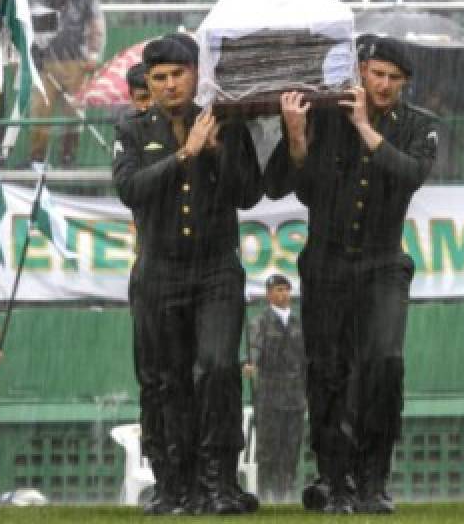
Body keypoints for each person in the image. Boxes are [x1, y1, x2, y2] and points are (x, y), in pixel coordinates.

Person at [264, 36, 438, 514]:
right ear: (360, 71)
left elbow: (410, 175)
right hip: (328, 261)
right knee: (327, 369)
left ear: (405, 83)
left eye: (393, 78)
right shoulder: (324, 114)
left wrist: (365, 127)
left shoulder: (420, 126)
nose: (383, 85)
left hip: (383, 261)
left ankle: (372, 478)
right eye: (376, 74)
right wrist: (297, 138)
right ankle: (333, 477)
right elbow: (283, 186)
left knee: (384, 363)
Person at [112, 34, 264, 515]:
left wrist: (217, 151)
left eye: (178, 74)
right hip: (159, 269)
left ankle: (219, 480)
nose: (170, 84)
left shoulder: (226, 123)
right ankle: (175, 483)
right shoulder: (133, 129)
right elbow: (131, 189)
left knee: (218, 367)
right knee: (166, 378)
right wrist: (183, 154)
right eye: (159, 77)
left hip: (216, 267)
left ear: (196, 75)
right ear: (149, 84)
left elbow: (249, 194)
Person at [29, 0, 106, 162]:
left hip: (76, 61)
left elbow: (96, 23)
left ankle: (68, 155)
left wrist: (94, 53)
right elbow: (36, 23)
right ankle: (37, 157)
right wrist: (36, 51)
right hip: (46, 62)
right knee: (40, 110)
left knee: (74, 112)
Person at [244, 274, 307, 503]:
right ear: (269, 294)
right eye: (278, 290)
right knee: (268, 451)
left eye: (286, 289)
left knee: (290, 450)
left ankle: (287, 496)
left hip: (294, 397)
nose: (283, 294)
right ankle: (266, 496)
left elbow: (306, 359)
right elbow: (253, 347)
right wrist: (251, 363)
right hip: (269, 396)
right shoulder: (260, 322)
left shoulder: (300, 323)